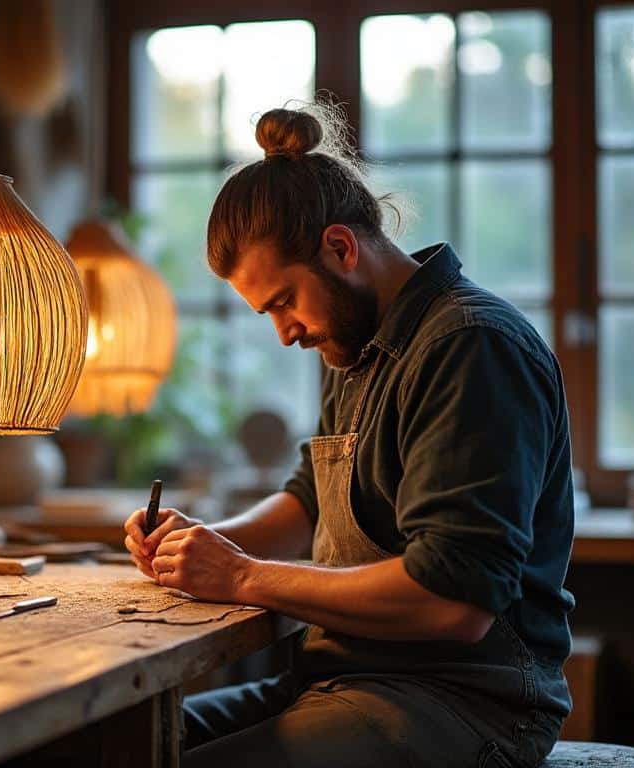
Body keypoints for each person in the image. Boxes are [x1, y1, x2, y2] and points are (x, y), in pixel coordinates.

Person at [123, 104, 574, 768]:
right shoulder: (355, 343)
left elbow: (454, 600)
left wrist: (243, 574)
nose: (284, 332)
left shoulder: (471, 347)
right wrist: (199, 545)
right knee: (112, 748)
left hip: (465, 704)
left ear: (341, 247)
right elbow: (310, 502)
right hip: (340, 682)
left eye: (283, 301)